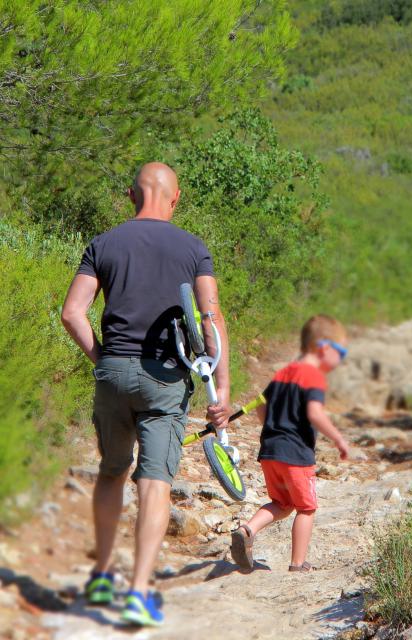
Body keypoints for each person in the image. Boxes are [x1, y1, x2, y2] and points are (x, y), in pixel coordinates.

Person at [61, 162, 230, 626]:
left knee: (112, 471)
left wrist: (105, 360)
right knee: (154, 482)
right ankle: (137, 592)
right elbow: (211, 320)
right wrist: (223, 393)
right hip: (166, 380)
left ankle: (99, 575)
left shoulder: (105, 243)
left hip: (113, 371)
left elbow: (72, 313)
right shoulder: (192, 248)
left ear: (132, 196)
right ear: (174, 199)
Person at [230, 314, 349, 573]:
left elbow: (261, 405)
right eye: (341, 351)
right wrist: (339, 439)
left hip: (270, 450)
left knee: (283, 503)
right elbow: (315, 413)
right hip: (296, 453)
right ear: (324, 347)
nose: (342, 358)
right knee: (306, 508)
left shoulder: (283, 372)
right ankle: (298, 564)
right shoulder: (313, 376)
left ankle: (247, 529)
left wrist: (271, 429)